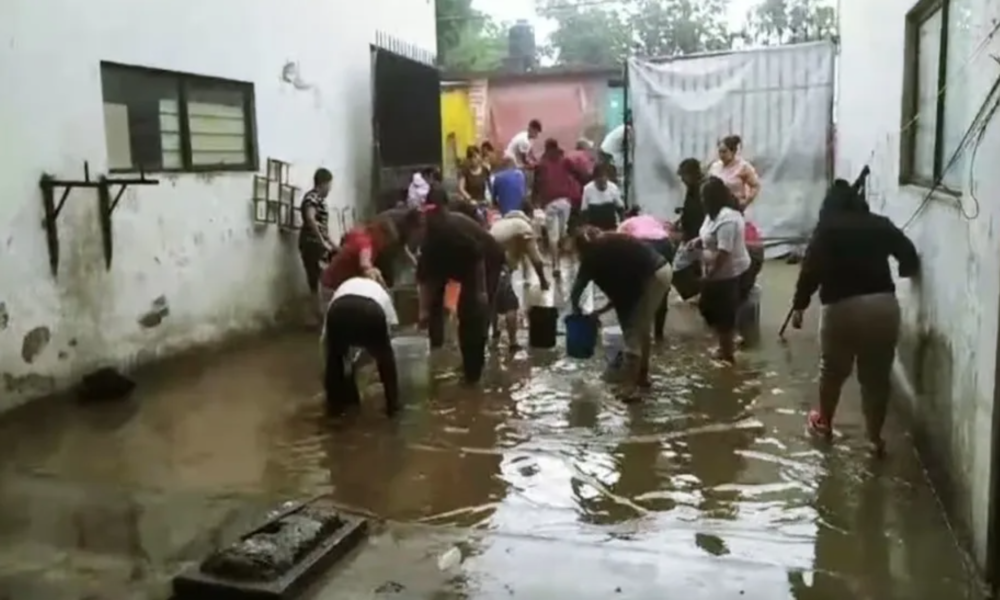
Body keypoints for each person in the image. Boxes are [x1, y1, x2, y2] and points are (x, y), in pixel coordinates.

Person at [791, 179, 919, 456]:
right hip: (883, 307)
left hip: (841, 308)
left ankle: (824, 423)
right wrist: (908, 271)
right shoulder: (879, 223)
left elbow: (810, 271)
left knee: (833, 371)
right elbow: (908, 253)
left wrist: (799, 306)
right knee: (876, 377)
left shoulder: (826, 230)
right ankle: (874, 439)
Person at [570, 227, 673, 400]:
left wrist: (577, 314)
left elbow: (576, 292)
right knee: (642, 328)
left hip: (651, 276)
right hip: (662, 270)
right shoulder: (612, 242)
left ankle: (630, 389)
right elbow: (620, 293)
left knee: (632, 334)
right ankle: (642, 378)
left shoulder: (591, 257)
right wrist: (600, 311)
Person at [417, 204, 506, 384]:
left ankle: (474, 372)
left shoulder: (450, 233)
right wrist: (424, 312)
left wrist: (481, 292)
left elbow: (477, 255)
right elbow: (428, 281)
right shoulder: (430, 244)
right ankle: (452, 357)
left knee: (473, 311)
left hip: (486, 259)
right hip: (462, 261)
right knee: (454, 310)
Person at [687, 177, 753, 364]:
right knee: (707, 308)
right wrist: (697, 241)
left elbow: (724, 253)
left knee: (723, 313)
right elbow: (708, 235)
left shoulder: (728, 219)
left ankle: (728, 355)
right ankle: (727, 342)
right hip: (717, 272)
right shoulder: (712, 214)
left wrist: (710, 275)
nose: (701, 200)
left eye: (703, 197)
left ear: (712, 198)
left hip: (728, 273)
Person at [322, 276, 399, 417]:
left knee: (335, 358)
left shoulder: (345, 286)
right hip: (370, 310)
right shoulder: (381, 291)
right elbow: (392, 327)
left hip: (338, 309)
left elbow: (326, 340)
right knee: (385, 357)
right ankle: (392, 406)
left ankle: (334, 409)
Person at [489, 211, 550, 349]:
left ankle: (495, 332)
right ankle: (513, 343)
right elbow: (536, 260)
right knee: (511, 303)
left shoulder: (498, 225)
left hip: (486, 265)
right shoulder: (523, 227)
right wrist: (543, 281)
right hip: (500, 265)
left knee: (493, 296)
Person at [319, 216, 401, 308]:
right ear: (379, 233)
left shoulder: (361, 233)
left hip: (330, 282)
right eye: (385, 241)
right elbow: (365, 265)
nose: (384, 246)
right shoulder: (366, 244)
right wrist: (384, 291)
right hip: (333, 288)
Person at [618, 206, 673, 341]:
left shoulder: (625, 224)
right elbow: (668, 230)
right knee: (662, 286)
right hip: (665, 244)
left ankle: (641, 334)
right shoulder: (652, 218)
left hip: (643, 244)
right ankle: (659, 334)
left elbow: (619, 245)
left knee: (640, 289)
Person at [533, 138, 585, 277]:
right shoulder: (565, 160)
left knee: (553, 236)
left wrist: (535, 201)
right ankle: (561, 256)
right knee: (561, 234)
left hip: (550, 203)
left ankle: (556, 265)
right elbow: (579, 173)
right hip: (565, 202)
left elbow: (536, 184)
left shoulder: (542, 164)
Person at [299, 168, 338, 320]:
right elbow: (310, 218)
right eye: (329, 185)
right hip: (311, 244)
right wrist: (322, 242)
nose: (330, 188)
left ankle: (320, 314)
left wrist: (335, 246)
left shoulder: (320, 201)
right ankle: (319, 315)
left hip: (317, 243)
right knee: (317, 278)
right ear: (323, 183)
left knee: (320, 278)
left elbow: (322, 228)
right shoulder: (312, 197)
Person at [707, 135, 761, 210]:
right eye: (720, 152)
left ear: (733, 151)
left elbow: (756, 186)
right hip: (715, 208)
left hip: (734, 207)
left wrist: (746, 201)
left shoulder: (743, 166)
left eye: (724, 152)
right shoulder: (715, 166)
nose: (721, 155)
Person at [581, 163, 625, 230]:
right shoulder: (587, 189)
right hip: (594, 228)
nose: (602, 183)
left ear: (607, 178)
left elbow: (620, 209)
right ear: (595, 179)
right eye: (599, 180)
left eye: (604, 179)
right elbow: (584, 211)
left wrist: (622, 225)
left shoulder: (613, 188)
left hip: (611, 226)